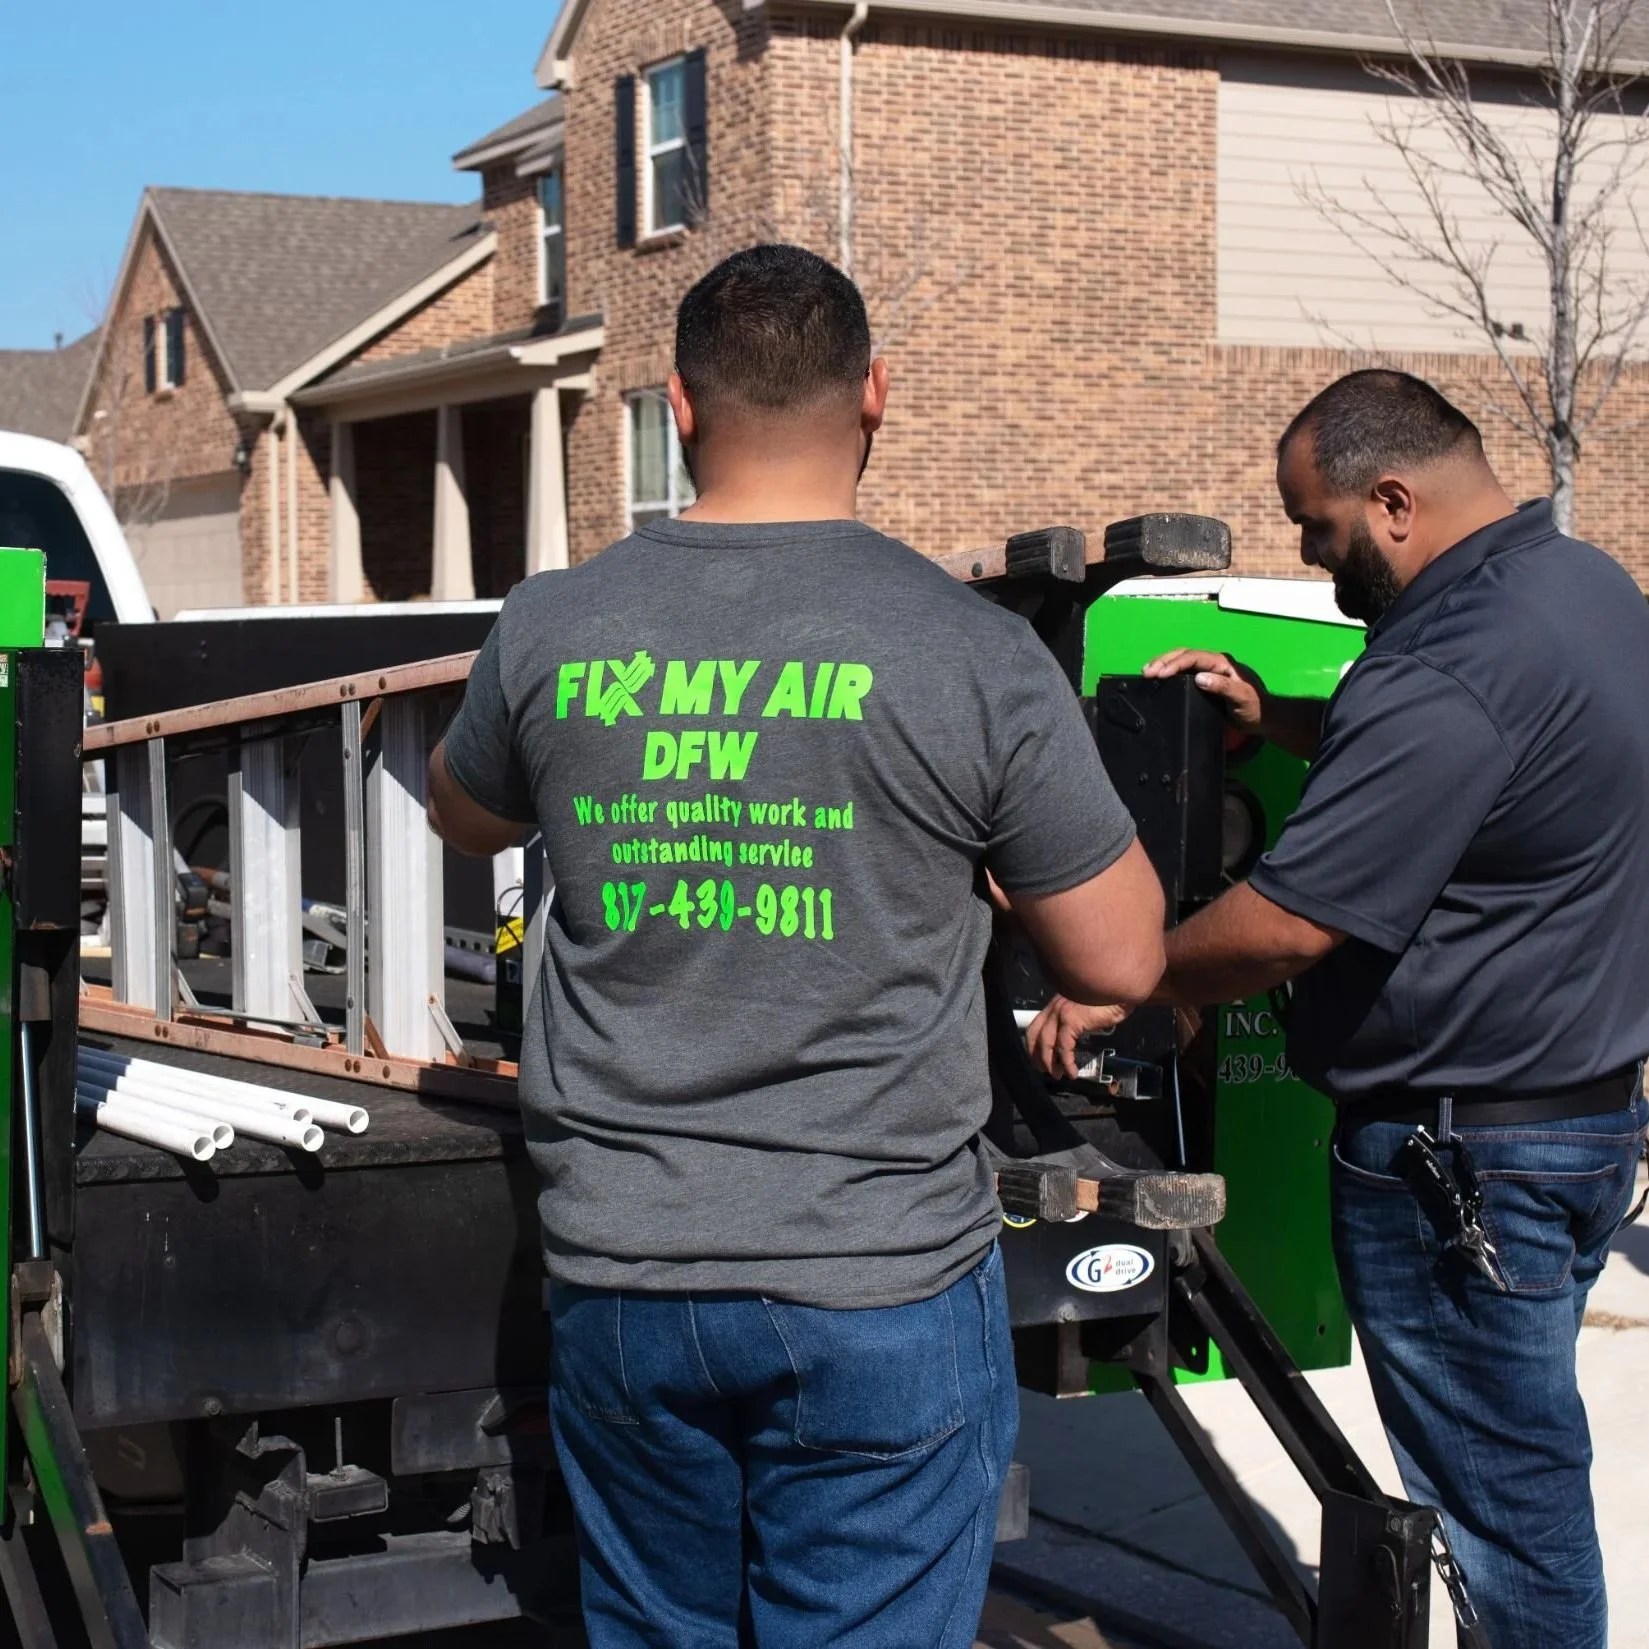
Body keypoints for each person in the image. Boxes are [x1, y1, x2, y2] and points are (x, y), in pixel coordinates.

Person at [426, 243, 1166, 1648]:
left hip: (626, 1274)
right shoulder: (966, 649)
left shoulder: (552, 625)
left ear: (679, 406)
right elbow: (1122, 958)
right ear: (874, 393)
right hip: (875, 1278)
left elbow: (461, 810)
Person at [1029, 369, 1649, 1649]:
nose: (1311, 557)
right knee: (1524, 1474)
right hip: (1579, 1122)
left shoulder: (1447, 660)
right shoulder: (1584, 592)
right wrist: (1285, 718)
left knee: (1502, 1514)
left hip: (1456, 1157)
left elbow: (1286, 924)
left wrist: (1121, 976)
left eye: (1315, 525)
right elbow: (1487, 766)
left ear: (1392, 500)